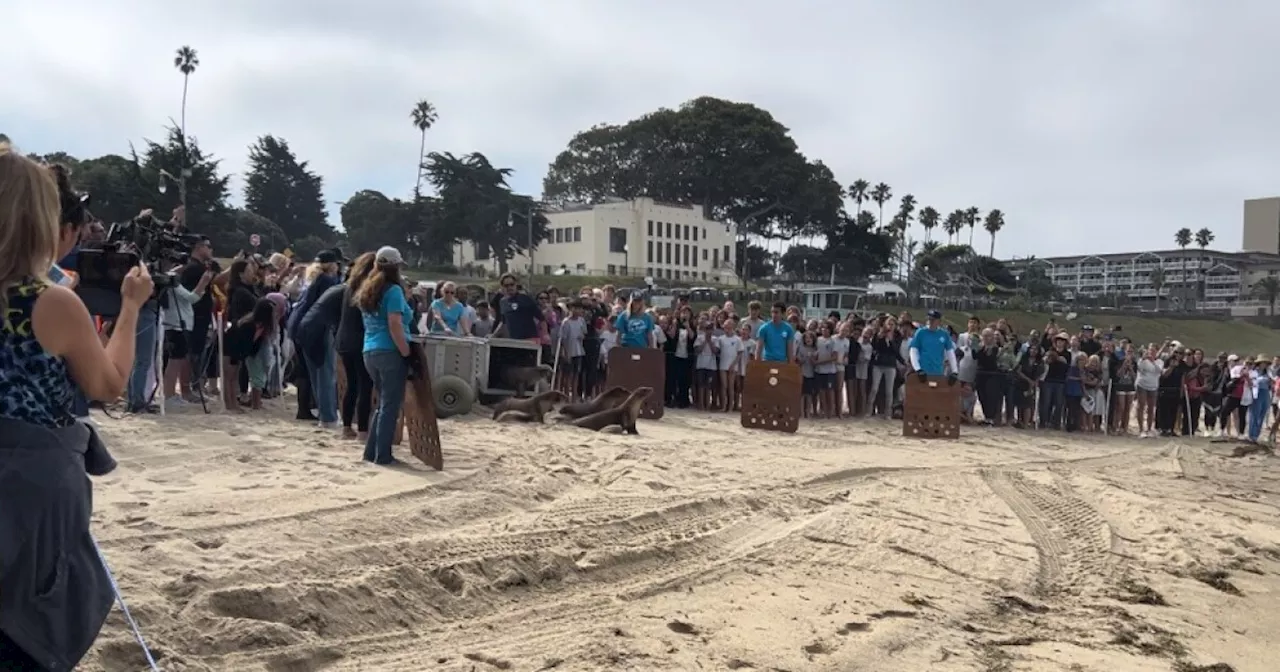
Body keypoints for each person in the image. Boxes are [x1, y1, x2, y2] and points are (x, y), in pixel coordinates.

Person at [0, 150, 154, 670]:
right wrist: (130, 308)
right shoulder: (49, 302)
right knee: (24, 623)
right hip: (28, 488)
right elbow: (108, 385)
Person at [356, 246, 412, 465]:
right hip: (390, 351)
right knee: (390, 405)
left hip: (369, 350)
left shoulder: (368, 290)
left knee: (382, 404)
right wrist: (406, 353)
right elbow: (395, 324)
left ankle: (371, 452)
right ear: (396, 267)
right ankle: (383, 455)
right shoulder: (393, 291)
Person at [337, 253, 376, 441]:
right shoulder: (367, 287)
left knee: (351, 385)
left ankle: (346, 427)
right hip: (360, 340)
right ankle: (362, 430)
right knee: (365, 386)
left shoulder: (349, 286)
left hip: (344, 339)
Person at [908, 310, 959, 382]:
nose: (930, 321)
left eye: (933, 319)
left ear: (939, 321)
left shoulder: (944, 334)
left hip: (938, 371)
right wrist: (918, 369)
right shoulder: (921, 332)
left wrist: (954, 371)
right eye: (929, 319)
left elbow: (950, 352)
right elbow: (913, 351)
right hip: (923, 372)